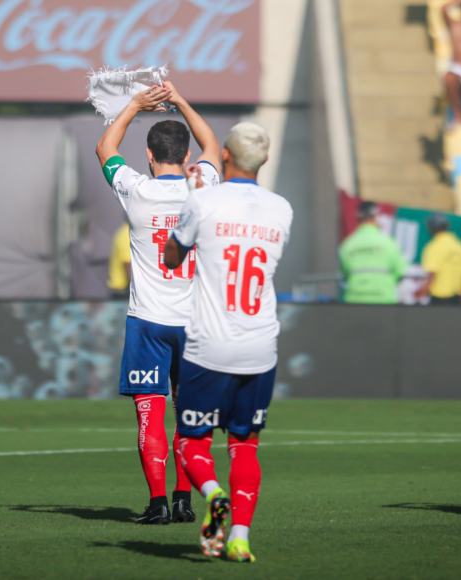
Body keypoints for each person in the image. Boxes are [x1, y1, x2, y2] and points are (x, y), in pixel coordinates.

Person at [163, 122, 293, 562]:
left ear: (223, 156)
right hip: (261, 346)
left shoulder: (202, 200)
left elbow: (172, 256)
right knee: (245, 443)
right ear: (266, 161)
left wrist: (189, 202)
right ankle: (238, 536)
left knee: (190, 440)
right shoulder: (282, 209)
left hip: (209, 345)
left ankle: (213, 492)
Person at [96, 81, 221, 525]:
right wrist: (181, 99)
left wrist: (134, 104)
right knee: (190, 414)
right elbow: (213, 144)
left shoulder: (135, 190)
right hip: (195, 323)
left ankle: (157, 504)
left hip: (148, 322)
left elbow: (105, 147)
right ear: (187, 158)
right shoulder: (202, 187)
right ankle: (186, 499)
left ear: (148, 156)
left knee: (150, 416)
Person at [338, 202, 407, 304]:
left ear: (357, 218)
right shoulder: (389, 243)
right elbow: (400, 271)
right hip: (383, 300)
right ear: (376, 216)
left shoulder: (347, 244)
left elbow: (343, 273)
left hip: (355, 301)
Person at [417, 213, 461, 305]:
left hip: (439, 298)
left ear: (432, 228)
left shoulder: (434, 246)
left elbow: (432, 273)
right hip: (457, 297)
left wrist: (422, 293)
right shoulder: (460, 246)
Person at [108, 222, 131, 299]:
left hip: (123, 291)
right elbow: (128, 265)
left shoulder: (124, 232)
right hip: (124, 292)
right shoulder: (127, 234)